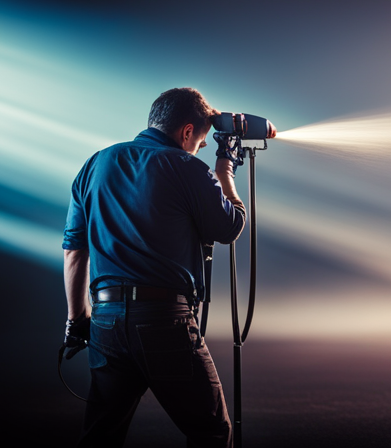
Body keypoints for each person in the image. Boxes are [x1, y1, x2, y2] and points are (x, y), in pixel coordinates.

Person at [62, 87, 267, 447]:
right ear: (187, 131)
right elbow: (229, 226)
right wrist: (225, 171)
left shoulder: (95, 163)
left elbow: (74, 253)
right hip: (163, 322)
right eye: (201, 139)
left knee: (99, 438)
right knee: (211, 432)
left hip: (105, 321)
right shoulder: (186, 166)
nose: (200, 147)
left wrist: (77, 321)